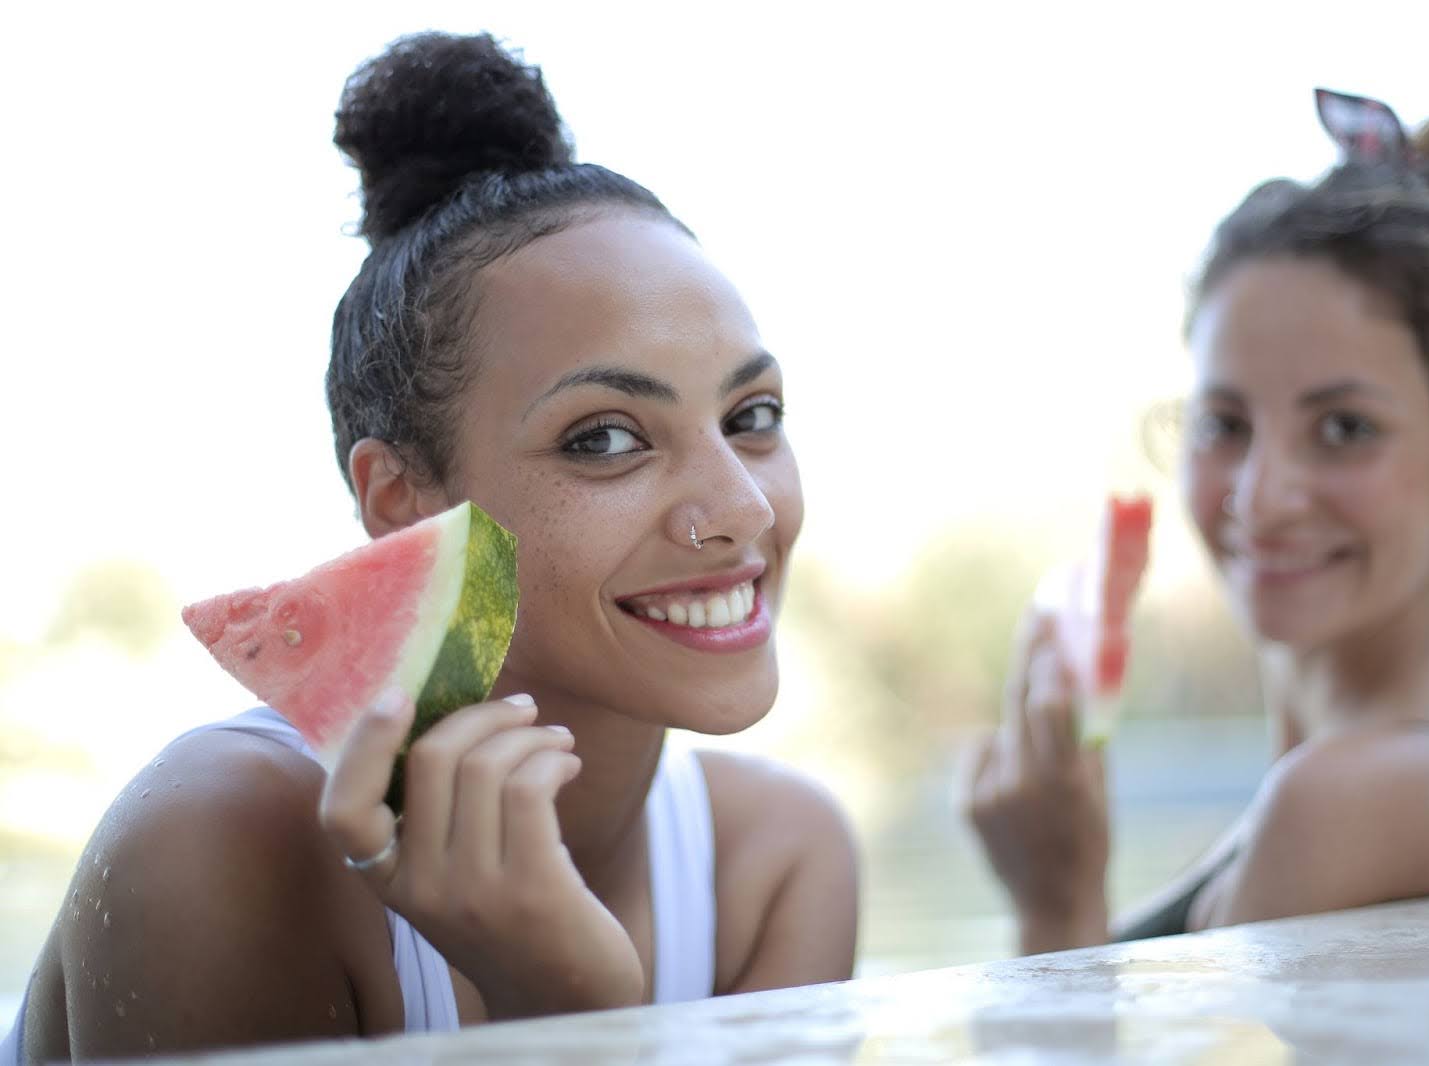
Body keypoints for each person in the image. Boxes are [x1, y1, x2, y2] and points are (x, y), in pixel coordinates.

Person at [6, 32, 856, 1061]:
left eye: (752, 415)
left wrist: (569, 1002)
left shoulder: (778, 861)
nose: (741, 507)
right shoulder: (219, 843)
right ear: (403, 500)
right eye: (606, 438)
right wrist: (570, 1010)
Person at [962, 89, 1429, 954]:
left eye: (1344, 429)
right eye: (1225, 424)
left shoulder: (1361, 799)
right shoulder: (1355, 775)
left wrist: (1054, 896)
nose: (1259, 498)